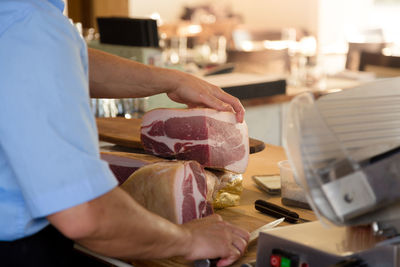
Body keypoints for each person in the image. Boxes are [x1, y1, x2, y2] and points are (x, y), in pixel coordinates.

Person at [0, 0, 249, 266]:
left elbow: (67, 58)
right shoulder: (31, 25)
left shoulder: (18, 18)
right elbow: (85, 215)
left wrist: (172, 79)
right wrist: (188, 239)